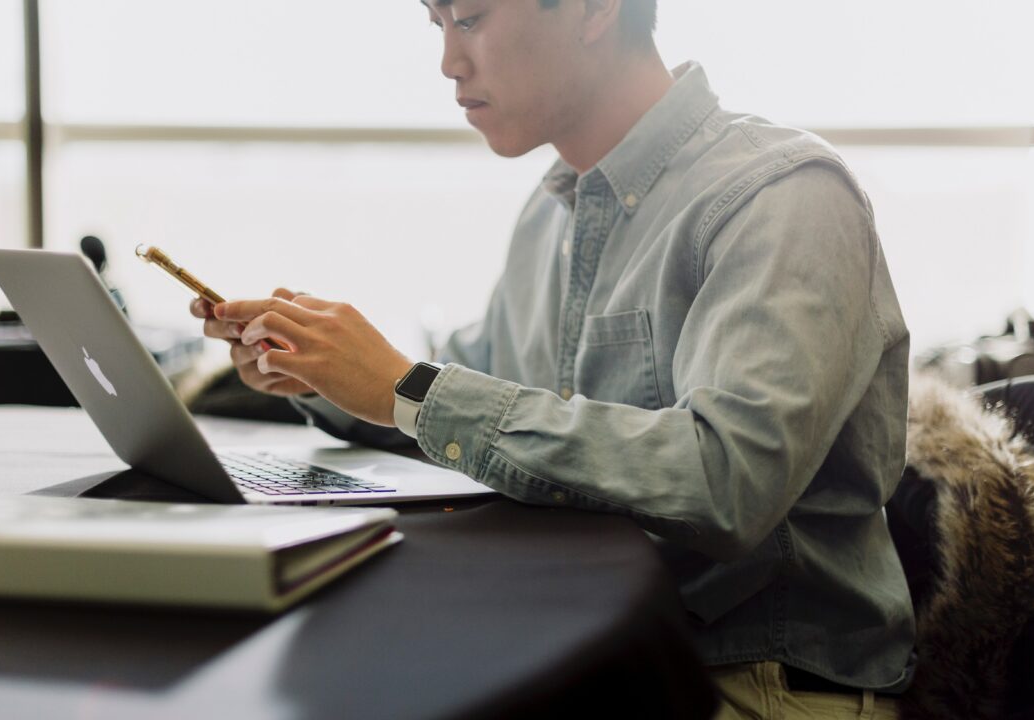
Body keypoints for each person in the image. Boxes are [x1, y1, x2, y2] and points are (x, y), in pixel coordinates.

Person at [192, 1, 914, 717]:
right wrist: (322, 374)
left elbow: (727, 480)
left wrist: (408, 387)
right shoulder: (551, 215)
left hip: (752, 680)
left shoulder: (781, 196)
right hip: (592, 648)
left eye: (469, 19)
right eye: (436, 26)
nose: (448, 63)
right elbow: (458, 410)